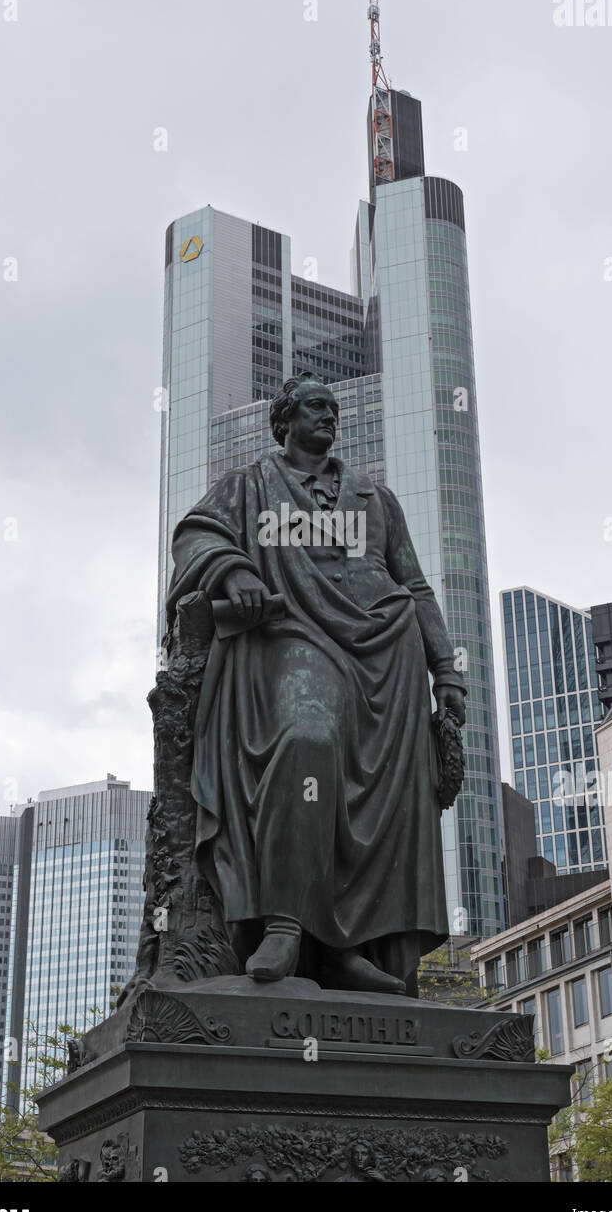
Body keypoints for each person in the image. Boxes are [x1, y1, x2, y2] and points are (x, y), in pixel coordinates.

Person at [166, 373, 466, 994]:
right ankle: (286, 923)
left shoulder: (374, 500)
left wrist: (448, 673)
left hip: (386, 655)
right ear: (285, 420)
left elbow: (414, 584)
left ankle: (346, 946)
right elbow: (195, 534)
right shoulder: (250, 486)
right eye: (314, 408)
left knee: (380, 790)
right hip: (293, 638)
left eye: (333, 410)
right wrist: (231, 570)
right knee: (309, 742)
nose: (328, 418)